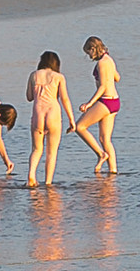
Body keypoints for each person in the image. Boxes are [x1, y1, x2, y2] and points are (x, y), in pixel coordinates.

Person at [25, 50, 77, 187]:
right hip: (53, 114)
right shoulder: (59, 77)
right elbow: (65, 99)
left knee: (36, 149)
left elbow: (29, 97)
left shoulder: (34, 75)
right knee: (51, 152)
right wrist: (71, 120)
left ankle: (31, 175)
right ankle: (48, 183)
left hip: (38, 113)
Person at [74, 37, 121, 175]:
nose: (89, 56)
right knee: (105, 139)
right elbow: (117, 78)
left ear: (93, 49)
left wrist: (89, 104)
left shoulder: (102, 63)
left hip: (105, 101)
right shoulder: (109, 60)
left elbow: (103, 87)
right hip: (115, 102)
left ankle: (101, 154)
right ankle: (113, 172)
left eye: (88, 52)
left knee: (79, 127)